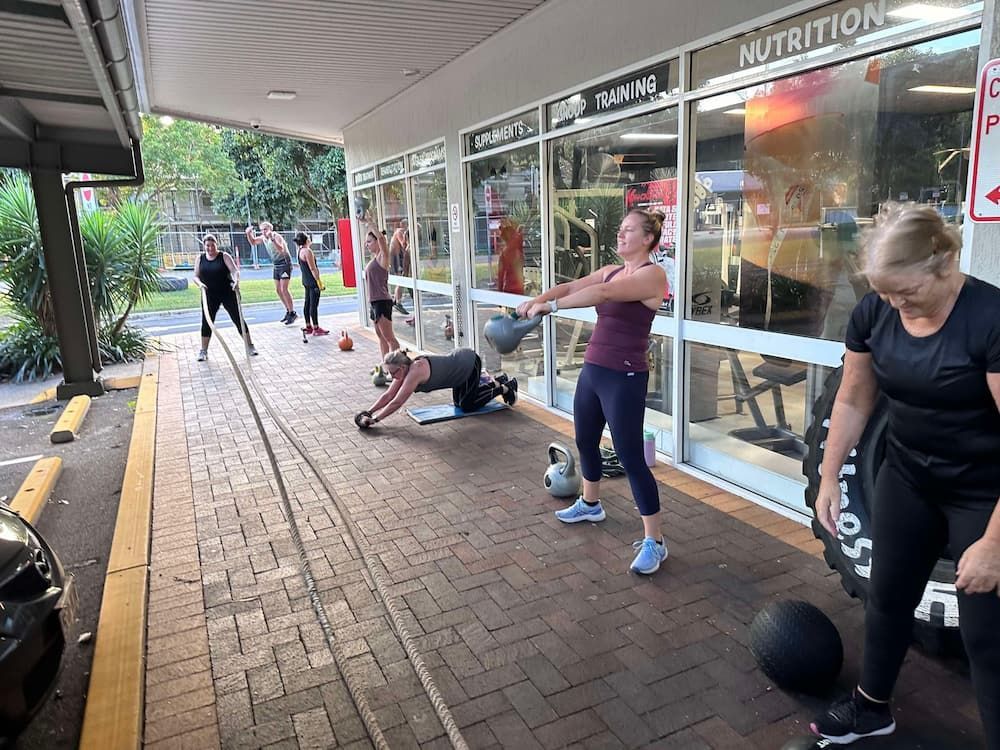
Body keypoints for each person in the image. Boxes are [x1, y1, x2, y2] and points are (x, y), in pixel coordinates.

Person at [811, 203, 1000, 747]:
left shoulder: (989, 319)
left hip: (983, 493)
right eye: (886, 292)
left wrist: (994, 543)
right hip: (908, 478)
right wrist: (828, 477)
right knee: (888, 599)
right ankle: (872, 709)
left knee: (987, 635)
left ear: (942, 262)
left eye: (906, 292)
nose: (895, 304)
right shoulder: (875, 311)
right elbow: (853, 397)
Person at [517, 209, 667, 575]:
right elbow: (573, 287)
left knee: (631, 457)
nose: (620, 235)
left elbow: (601, 293)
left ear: (648, 238)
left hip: (625, 376)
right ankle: (590, 502)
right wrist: (539, 298)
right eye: (620, 229)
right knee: (585, 440)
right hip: (594, 370)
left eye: (628, 230)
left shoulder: (653, 276)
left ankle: (656, 542)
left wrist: (548, 308)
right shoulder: (613, 269)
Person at [356, 348, 517, 427]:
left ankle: (505, 387)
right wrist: (369, 411)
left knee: (468, 405)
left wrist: (376, 420)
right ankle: (498, 381)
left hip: (468, 363)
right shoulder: (404, 370)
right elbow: (388, 395)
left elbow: (397, 402)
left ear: (402, 368)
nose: (391, 377)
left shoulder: (415, 372)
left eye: (392, 373)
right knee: (459, 404)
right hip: (458, 373)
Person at [193, 234, 257, 361]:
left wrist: (236, 281)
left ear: (216, 245)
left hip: (227, 292)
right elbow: (195, 276)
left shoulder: (224, 256)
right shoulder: (200, 258)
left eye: (212, 245)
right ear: (204, 246)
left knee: (238, 319)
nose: (210, 248)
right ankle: (203, 351)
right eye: (207, 246)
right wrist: (200, 285)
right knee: (207, 322)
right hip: (209, 295)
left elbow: (234, 271)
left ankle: (250, 346)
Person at [363, 218, 399, 380]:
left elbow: (383, 239)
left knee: (390, 338)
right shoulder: (375, 258)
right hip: (374, 303)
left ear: (378, 242)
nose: (367, 244)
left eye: (369, 241)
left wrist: (370, 222)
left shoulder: (383, 257)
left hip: (382, 303)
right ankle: (385, 367)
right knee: (381, 337)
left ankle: (397, 369)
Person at [246, 221, 296, 324]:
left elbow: (281, 249)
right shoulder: (263, 238)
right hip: (276, 264)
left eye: (265, 229)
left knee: (284, 289)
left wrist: (272, 239)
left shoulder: (276, 236)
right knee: (278, 290)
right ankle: (288, 310)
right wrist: (248, 234)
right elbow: (253, 242)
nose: (263, 232)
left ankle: (292, 313)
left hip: (285, 263)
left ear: (270, 229)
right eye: (262, 230)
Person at [294, 232, 327, 336]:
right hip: (312, 282)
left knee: (307, 303)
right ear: (306, 240)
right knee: (313, 305)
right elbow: (313, 268)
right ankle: (316, 328)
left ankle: (308, 326)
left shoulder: (300, 251)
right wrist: (319, 282)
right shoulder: (308, 251)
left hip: (305, 280)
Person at [389, 220, 411, 315]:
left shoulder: (400, 232)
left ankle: (395, 300)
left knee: (402, 278)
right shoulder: (399, 232)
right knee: (401, 279)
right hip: (395, 258)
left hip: (398, 257)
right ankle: (398, 302)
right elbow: (404, 244)